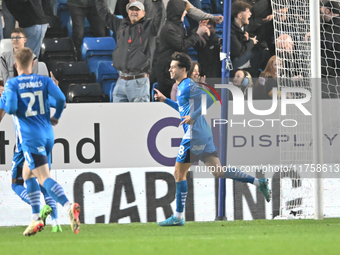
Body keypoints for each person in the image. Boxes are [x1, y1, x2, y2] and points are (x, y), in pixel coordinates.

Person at [154, 52, 271, 226]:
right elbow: (182, 109)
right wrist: (165, 101)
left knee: (179, 173)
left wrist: (193, 116)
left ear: (183, 69)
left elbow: (210, 98)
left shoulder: (187, 85)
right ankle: (258, 182)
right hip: (203, 133)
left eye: (173, 66)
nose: (170, 68)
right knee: (218, 171)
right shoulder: (182, 86)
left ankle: (178, 217)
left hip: (194, 134)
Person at [1, 47, 80, 236]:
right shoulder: (43, 81)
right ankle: (36, 217)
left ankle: (69, 206)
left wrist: (9, 100)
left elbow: (11, 108)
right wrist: (57, 116)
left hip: (29, 138)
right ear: (33, 63)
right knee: (27, 174)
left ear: (15, 64)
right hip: (47, 135)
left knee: (43, 178)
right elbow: (61, 98)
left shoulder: (13, 84)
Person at [95, 0, 164, 102]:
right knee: (117, 116)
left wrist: (157, 2)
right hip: (121, 81)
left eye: (137, 10)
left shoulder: (150, 27)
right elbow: (104, 13)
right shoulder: (120, 25)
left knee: (140, 116)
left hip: (139, 82)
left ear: (144, 13)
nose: (134, 12)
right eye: (131, 9)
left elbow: (160, 17)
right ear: (127, 12)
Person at [154, 0, 209, 99]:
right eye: (184, 10)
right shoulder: (168, 28)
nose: (186, 12)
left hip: (175, 69)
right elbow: (182, 46)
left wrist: (198, 30)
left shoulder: (178, 25)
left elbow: (186, 40)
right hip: (167, 72)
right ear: (177, 11)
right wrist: (197, 34)